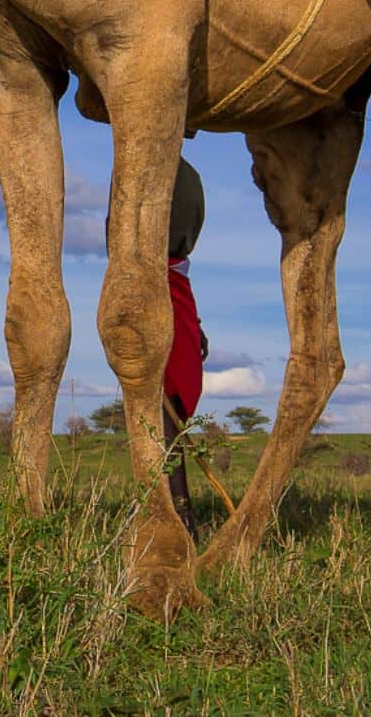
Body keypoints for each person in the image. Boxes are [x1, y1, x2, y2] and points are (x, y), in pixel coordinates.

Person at [161, 159, 211, 534]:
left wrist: (194, 324)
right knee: (168, 408)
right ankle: (180, 513)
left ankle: (180, 514)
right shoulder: (186, 177)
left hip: (171, 289)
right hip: (162, 289)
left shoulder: (182, 177)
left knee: (172, 409)